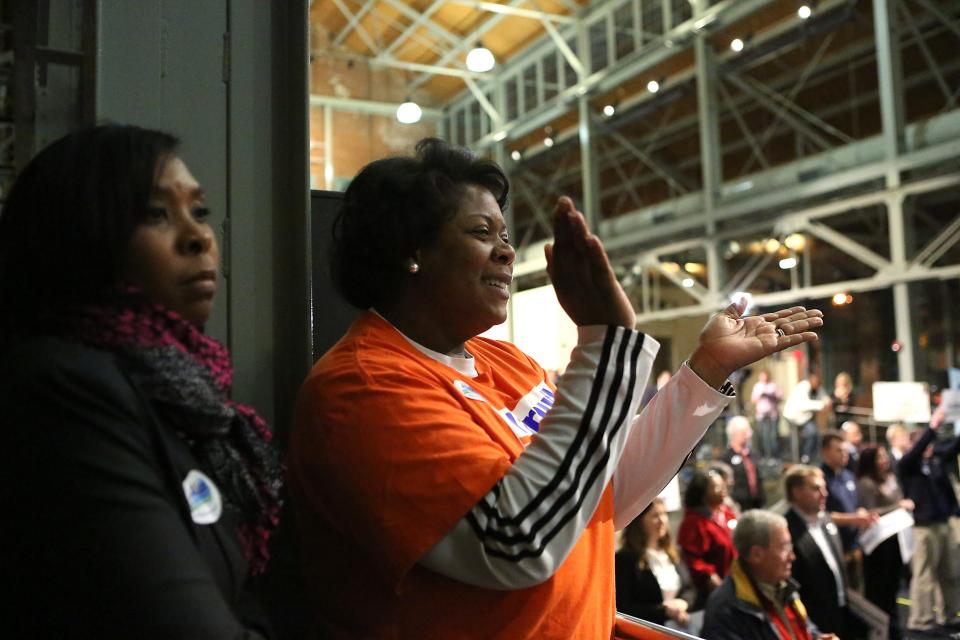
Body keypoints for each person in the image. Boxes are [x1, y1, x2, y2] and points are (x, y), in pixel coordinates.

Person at [286, 139, 825, 639]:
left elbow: (599, 493)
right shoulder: (364, 387)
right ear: (411, 252)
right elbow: (518, 543)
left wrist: (704, 372)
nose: (506, 253)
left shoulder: (506, 363)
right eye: (480, 233)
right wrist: (605, 344)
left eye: (504, 236)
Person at [0, 125, 281, 637]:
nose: (199, 237)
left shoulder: (183, 397)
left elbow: (241, 599)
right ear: (81, 236)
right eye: (155, 214)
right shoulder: (60, 389)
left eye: (199, 211)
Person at [700, 510, 833, 640]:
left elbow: (805, 630)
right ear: (756, 555)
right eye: (784, 547)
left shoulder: (783, 585)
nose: (792, 556)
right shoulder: (725, 611)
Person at [898, 407, 960, 632]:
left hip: (943, 524)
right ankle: (921, 619)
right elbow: (916, 453)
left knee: (950, 573)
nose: (930, 448)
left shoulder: (936, 462)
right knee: (924, 576)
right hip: (923, 528)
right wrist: (932, 427)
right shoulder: (908, 466)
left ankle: (950, 614)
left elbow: (952, 448)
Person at [783, 465, 860, 638]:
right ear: (796, 492)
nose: (825, 493)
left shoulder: (825, 520)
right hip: (814, 621)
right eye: (816, 488)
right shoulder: (786, 530)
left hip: (841, 611)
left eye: (824, 487)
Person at [856, 445, 913, 640]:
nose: (884, 460)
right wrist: (898, 506)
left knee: (893, 590)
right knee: (880, 592)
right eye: (879, 457)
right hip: (878, 544)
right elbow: (870, 511)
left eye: (884, 456)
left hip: (896, 539)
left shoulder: (890, 477)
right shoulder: (866, 483)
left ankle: (895, 630)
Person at [615, 498, 697, 629]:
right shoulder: (624, 559)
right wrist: (664, 611)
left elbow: (690, 588)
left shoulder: (674, 553)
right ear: (639, 521)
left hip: (679, 629)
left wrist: (683, 603)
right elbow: (625, 608)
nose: (662, 521)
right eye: (655, 516)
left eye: (664, 514)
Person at [678, 470, 739, 608]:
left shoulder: (727, 513)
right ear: (703, 493)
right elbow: (692, 560)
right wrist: (709, 576)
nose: (723, 490)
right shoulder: (693, 523)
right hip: (713, 594)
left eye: (723, 485)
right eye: (716, 487)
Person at [720, 415, 766, 510]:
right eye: (745, 432)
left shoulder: (753, 454)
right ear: (735, 433)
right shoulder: (726, 458)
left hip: (756, 504)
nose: (749, 435)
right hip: (737, 506)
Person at [783, 372, 830, 464]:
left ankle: (807, 457)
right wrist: (821, 405)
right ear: (810, 380)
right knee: (796, 441)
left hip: (805, 418)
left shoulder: (817, 389)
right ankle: (797, 460)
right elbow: (803, 405)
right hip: (793, 417)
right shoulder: (803, 387)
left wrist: (827, 402)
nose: (817, 384)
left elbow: (824, 397)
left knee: (814, 434)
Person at [751, 370, 783, 459]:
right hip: (761, 415)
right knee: (764, 436)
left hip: (773, 414)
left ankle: (775, 456)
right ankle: (765, 457)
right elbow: (753, 400)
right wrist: (761, 396)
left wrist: (771, 396)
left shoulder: (774, 385)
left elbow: (780, 398)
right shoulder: (757, 386)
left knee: (773, 436)